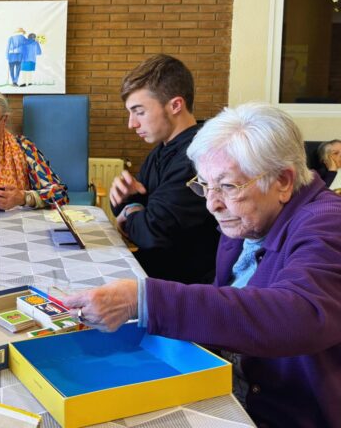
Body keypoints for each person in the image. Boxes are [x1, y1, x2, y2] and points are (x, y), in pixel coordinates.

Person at [61, 103, 341, 428]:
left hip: (280, 414)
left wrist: (145, 300)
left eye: (228, 186)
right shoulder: (248, 219)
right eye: (205, 185)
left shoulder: (328, 223)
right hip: (226, 384)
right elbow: (230, 299)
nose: (212, 204)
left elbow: (300, 313)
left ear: (283, 181)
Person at [109, 54, 219, 283]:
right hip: (153, 271)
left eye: (139, 112)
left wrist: (130, 210)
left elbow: (151, 232)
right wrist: (129, 202)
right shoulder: (162, 150)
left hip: (180, 286)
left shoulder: (198, 157)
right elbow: (134, 206)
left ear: (175, 105)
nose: (131, 124)